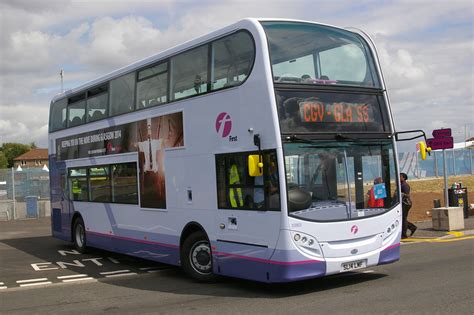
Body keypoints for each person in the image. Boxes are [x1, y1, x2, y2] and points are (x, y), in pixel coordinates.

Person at [400, 173, 417, 238]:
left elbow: (407, 194)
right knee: (402, 218)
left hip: (406, 204)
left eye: (400, 177)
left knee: (403, 218)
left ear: (404, 178)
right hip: (402, 203)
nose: (399, 178)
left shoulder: (405, 185)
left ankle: (404, 234)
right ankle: (412, 227)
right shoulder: (401, 184)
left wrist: (400, 194)